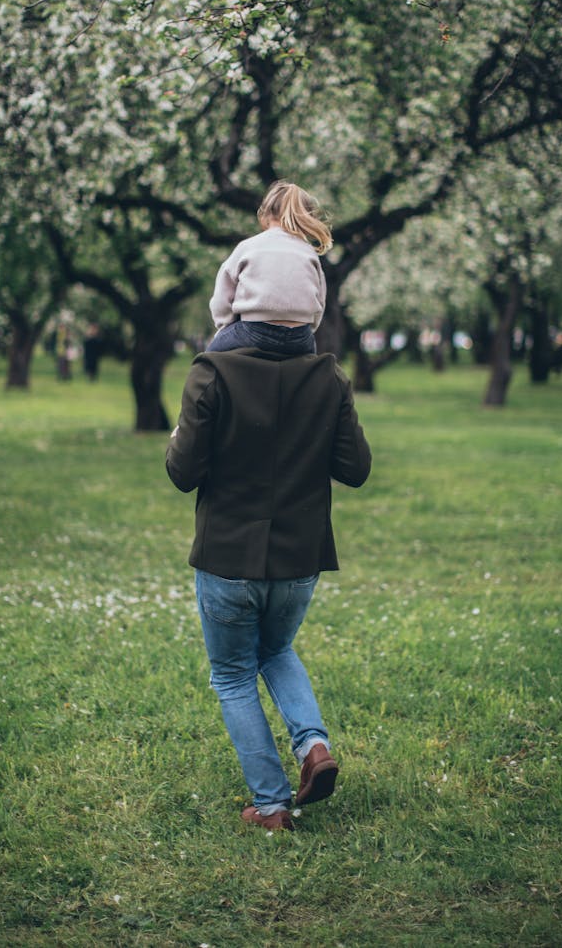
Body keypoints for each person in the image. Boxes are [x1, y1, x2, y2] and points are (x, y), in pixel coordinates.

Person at [166, 346, 372, 831]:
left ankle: (273, 807)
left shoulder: (212, 371)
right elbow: (355, 468)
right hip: (300, 558)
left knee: (234, 675)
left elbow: (182, 471)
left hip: (228, 556)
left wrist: (181, 433)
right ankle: (313, 746)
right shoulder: (329, 374)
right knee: (276, 649)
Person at [207, 180, 332, 356]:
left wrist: (225, 326)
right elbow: (320, 300)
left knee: (208, 361)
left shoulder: (248, 247)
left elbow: (222, 298)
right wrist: (307, 328)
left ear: (264, 213)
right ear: (305, 217)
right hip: (300, 337)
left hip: (253, 332)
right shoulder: (309, 252)